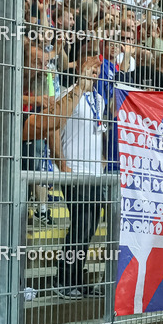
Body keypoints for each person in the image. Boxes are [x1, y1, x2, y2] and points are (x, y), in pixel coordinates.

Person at [50, 55, 106, 299]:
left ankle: (77, 278)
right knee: (81, 223)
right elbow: (52, 128)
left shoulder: (99, 100)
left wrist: (102, 163)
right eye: (90, 69)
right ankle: (63, 279)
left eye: (97, 71)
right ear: (80, 67)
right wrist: (62, 164)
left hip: (95, 175)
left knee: (89, 226)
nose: (94, 74)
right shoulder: (68, 94)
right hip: (74, 171)